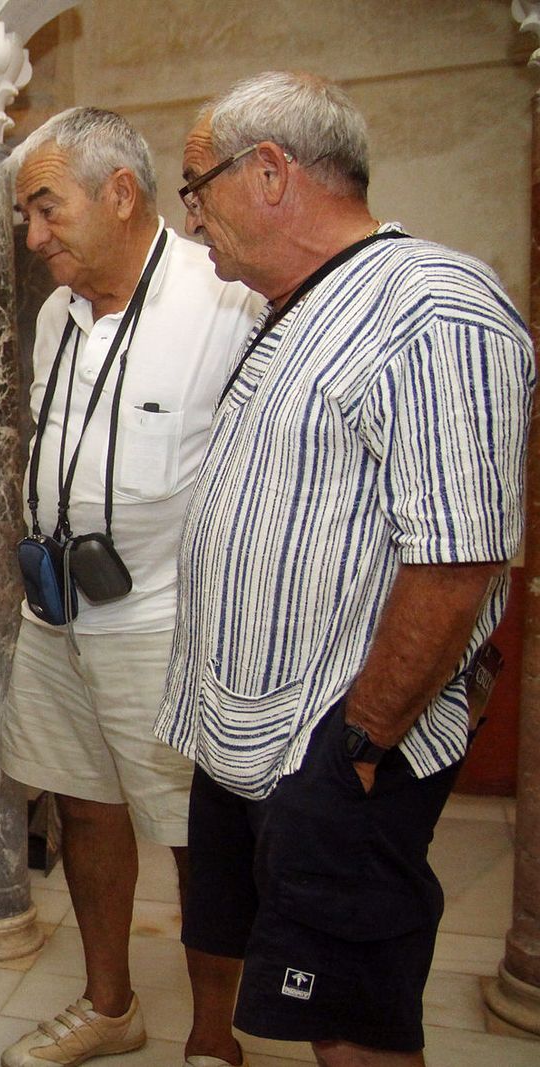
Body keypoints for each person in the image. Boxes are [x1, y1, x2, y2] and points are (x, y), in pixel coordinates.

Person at [158, 71, 533, 1067]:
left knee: (350, 1016)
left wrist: (357, 747)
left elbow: (455, 562)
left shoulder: (430, 306)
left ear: (270, 173)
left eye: (195, 188)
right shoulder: (290, 309)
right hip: (254, 733)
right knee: (279, 970)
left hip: (336, 744)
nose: (189, 219)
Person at [0, 108, 263, 1067]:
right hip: (56, 610)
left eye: (46, 208)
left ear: (121, 193)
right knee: (82, 805)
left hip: (166, 619)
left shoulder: (222, 299)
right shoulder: (53, 316)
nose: (34, 237)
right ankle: (110, 1006)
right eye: (26, 215)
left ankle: (213, 1036)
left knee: (197, 833)